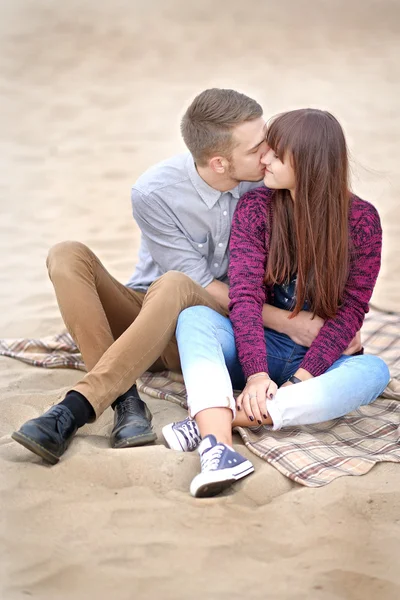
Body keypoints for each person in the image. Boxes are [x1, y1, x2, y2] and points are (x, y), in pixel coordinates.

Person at [12, 89, 329, 464]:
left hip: (210, 330)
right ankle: (126, 400)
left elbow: (327, 210)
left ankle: (77, 407)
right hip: (145, 317)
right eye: (256, 147)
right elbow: (201, 284)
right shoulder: (154, 192)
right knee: (66, 255)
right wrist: (290, 323)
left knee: (177, 284)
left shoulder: (269, 180)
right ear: (219, 163)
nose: (268, 154)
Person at [162, 108, 390, 498]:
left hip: (317, 360)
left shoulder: (362, 221)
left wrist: (301, 379)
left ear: (309, 162)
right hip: (259, 347)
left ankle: (219, 418)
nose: (264, 159)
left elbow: (352, 309)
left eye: (277, 155)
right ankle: (219, 448)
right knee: (196, 318)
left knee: (373, 372)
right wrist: (255, 373)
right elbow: (245, 296)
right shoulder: (256, 209)